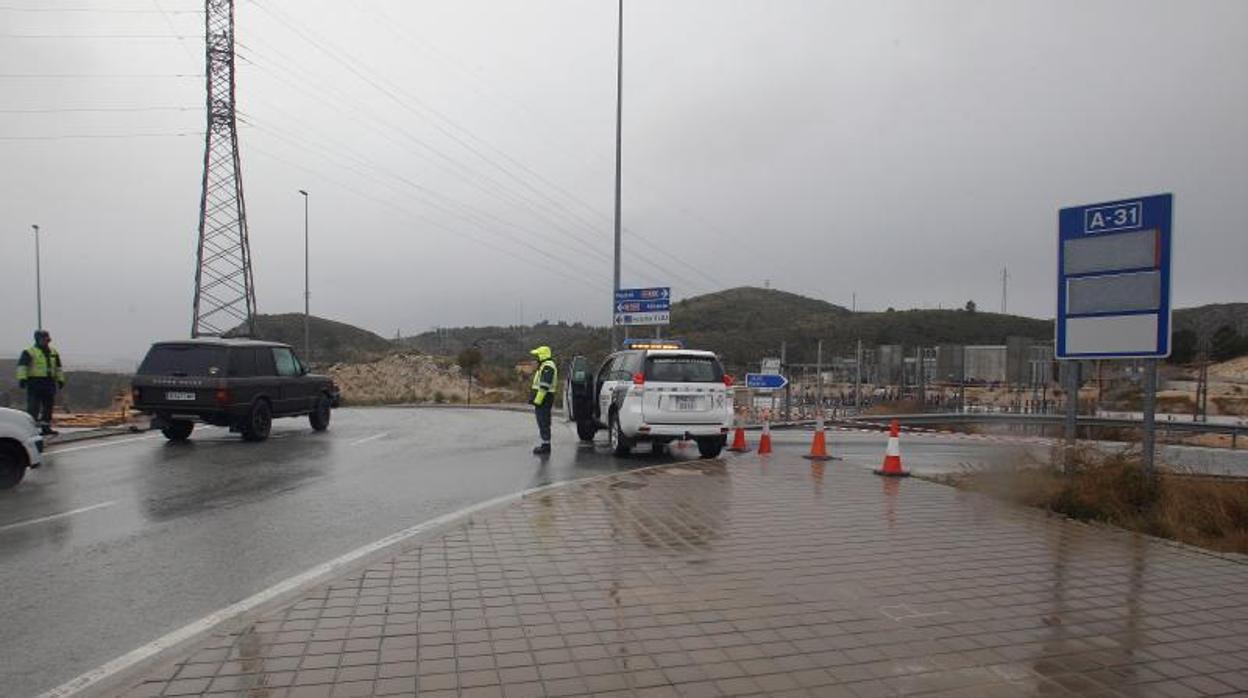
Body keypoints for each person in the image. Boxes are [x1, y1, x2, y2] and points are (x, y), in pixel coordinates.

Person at [17, 329, 65, 436]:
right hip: (35, 382)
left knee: (48, 406)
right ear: (38, 339)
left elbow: (58, 368)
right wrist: (22, 378)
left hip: (49, 382)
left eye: (47, 339)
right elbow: (22, 366)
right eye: (43, 339)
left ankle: (45, 427)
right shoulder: (29, 351)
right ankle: (30, 429)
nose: (46, 341)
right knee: (33, 407)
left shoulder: (53, 352)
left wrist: (60, 379)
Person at [528, 345, 558, 454]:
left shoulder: (547, 366)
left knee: (543, 420)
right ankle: (545, 443)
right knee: (542, 421)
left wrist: (537, 400)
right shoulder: (544, 366)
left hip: (544, 399)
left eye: (537, 356)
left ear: (542, 356)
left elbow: (544, 386)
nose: (535, 358)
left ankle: (546, 445)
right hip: (543, 398)